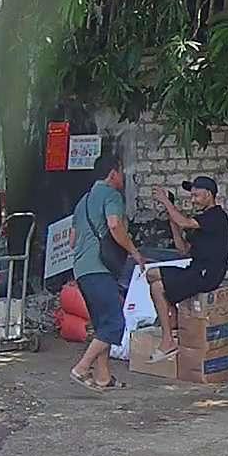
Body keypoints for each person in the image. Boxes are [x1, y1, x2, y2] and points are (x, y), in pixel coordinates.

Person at [69, 154, 145, 391]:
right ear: (113, 173)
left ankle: (104, 377)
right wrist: (134, 252)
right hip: (100, 269)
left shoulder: (82, 201)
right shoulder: (112, 195)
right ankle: (82, 368)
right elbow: (114, 225)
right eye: (121, 172)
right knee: (114, 323)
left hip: (82, 270)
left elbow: (72, 240)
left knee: (102, 325)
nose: (123, 177)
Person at [145, 175, 228, 362]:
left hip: (208, 274)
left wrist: (166, 202)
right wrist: (172, 220)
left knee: (157, 287)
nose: (193, 200)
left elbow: (184, 222)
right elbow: (183, 249)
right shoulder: (201, 221)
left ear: (208, 195)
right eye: (191, 196)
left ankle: (168, 341)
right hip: (195, 269)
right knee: (151, 274)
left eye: (196, 196)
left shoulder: (216, 216)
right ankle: (174, 318)